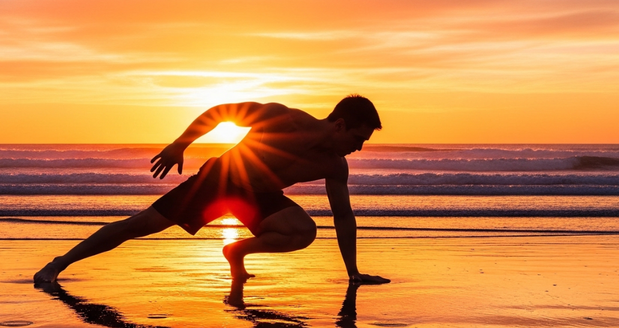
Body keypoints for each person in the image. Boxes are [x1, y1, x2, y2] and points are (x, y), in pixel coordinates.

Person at [32, 95, 390, 285]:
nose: (359, 148)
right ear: (340, 124)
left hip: (259, 196)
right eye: (358, 138)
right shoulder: (286, 120)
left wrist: (353, 271)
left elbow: (343, 216)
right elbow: (222, 112)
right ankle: (58, 264)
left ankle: (236, 252)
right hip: (221, 179)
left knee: (303, 231)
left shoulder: (333, 165)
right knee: (138, 226)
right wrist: (179, 144)